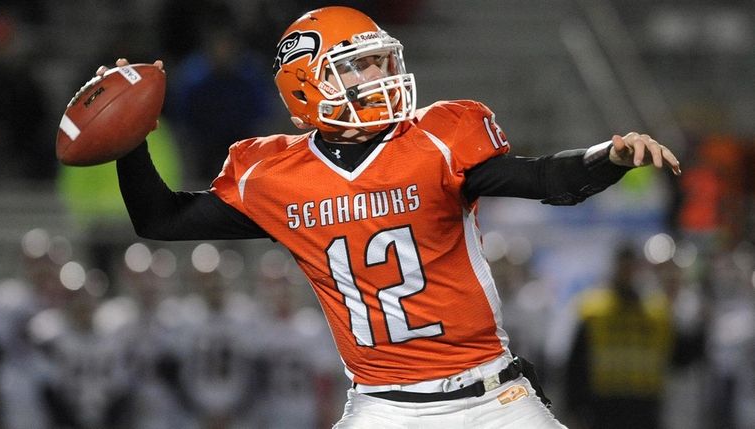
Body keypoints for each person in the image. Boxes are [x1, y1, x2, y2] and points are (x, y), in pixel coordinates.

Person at [93, 6, 681, 428]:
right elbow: (161, 220)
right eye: (357, 66)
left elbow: (548, 182)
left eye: (379, 60)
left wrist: (609, 157)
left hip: (493, 402)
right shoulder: (274, 176)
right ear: (307, 88)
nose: (379, 76)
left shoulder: (437, 140)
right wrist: (130, 139)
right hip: (383, 407)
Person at [563, 244, 677, 429]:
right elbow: (576, 365)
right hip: (604, 405)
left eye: (631, 267)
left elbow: (675, 356)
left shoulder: (656, 313)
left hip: (644, 405)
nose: (627, 273)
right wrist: (574, 408)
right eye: (624, 266)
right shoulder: (594, 310)